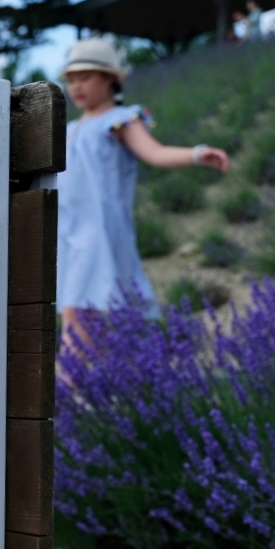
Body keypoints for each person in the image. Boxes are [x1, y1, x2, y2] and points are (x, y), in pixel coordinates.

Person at [57, 39, 230, 355]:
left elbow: (155, 152)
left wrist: (195, 154)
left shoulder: (120, 119)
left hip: (98, 232)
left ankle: (73, 391)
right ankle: (108, 386)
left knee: (78, 313)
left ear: (111, 78)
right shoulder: (67, 128)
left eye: (86, 76)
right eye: (71, 78)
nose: (76, 85)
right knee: (89, 314)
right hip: (67, 230)